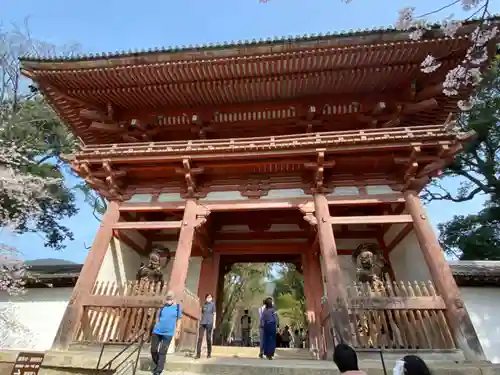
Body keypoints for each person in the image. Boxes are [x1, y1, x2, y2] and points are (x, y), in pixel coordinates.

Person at [151, 291, 182, 375]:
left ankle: (158, 370)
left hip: (168, 333)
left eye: (170, 299)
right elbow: (157, 316)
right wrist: (156, 324)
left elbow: (179, 319)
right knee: (153, 350)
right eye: (167, 299)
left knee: (162, 352)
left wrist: (177, 331)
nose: (168, 300)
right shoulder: (162, 306)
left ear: (173, 299)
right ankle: (159, 364)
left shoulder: (178, 307)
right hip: (157, 331)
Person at [195, 293, 216, 359]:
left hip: (209, 323)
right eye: (207, 297)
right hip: (202, 323)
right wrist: (199, 321)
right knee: (200, 338)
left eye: (210, 297)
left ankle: (209, 353)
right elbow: (201, 313)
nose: (208, 298)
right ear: (206, 298)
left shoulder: (213, 305)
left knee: (208, 338)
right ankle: (198, 354)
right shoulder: (204, 305)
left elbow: (214, 314)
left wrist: (214, 323)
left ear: (212, 298)